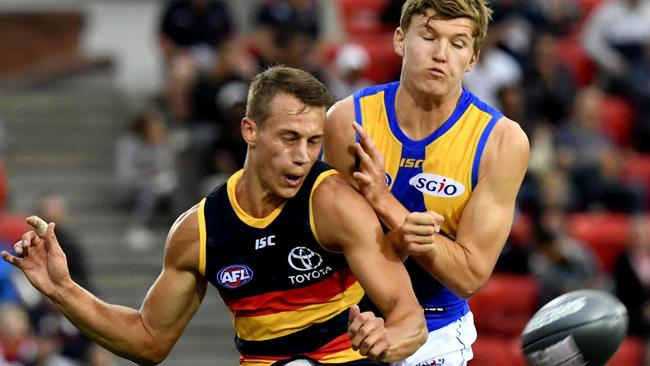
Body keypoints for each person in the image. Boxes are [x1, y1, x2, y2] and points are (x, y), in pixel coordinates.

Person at [2, 66, 428, 365]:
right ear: (250, 131)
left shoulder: (333, 203)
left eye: (314, 141)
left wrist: (387, 340)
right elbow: (149, 342)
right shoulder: (199, 231)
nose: (303, 157)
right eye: (289, 138)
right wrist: (62, 289)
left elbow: (409, 316)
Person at [323, 1, 530, 365]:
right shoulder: (346, 120)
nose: (440, 54)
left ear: (473, 59)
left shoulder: (501, 142)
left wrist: (385, 202)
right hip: (350, 320)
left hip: (438, 332)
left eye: (457, 43)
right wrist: (403, 236)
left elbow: (468, 275)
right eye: (429, 36)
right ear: (400, 39)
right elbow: (326, 244)